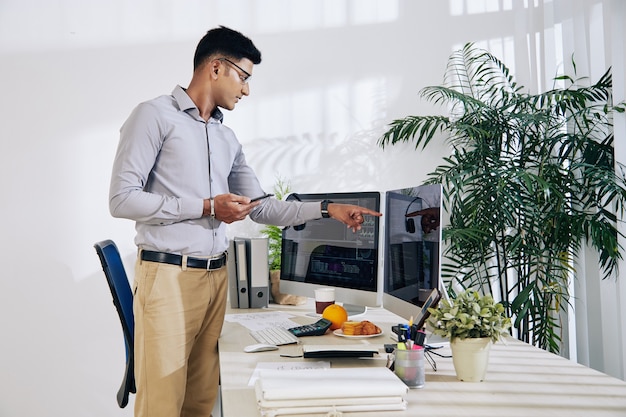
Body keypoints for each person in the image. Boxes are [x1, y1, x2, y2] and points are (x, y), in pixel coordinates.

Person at [109, 26, 381, 417]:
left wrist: (327, 209)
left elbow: (262, 207)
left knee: (201, 401)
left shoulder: (226, 139)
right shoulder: (153, 116)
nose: (247, 90)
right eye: (244, 77)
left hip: (216, 279)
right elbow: (122, 199)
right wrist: (206, 206)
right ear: (216, 68)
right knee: (161, 405)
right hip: (168, 278)